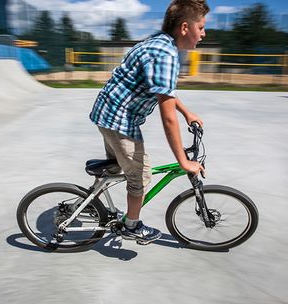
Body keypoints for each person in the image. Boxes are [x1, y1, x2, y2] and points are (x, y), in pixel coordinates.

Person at [89, 0, 209, 244]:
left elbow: (165, 92)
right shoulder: (166, 55)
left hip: (108, 113)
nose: (204, 34)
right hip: (120, 119)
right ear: (185, 28)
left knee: (114, 167)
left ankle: (93, 204)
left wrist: (187, 112)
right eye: (201, 27)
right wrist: (183, 161)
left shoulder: (157, 43)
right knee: (141, 175)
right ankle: (131, 226)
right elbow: (167, 119)